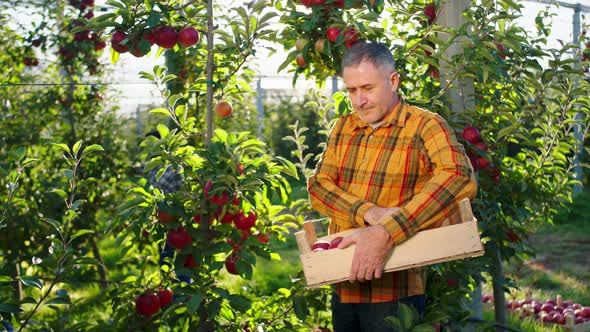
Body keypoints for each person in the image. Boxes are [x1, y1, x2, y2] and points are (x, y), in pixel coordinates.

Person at [307, 42, 477, 332]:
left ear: (393, 81)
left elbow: (458, 177)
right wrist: (371, 214)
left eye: (367, 88)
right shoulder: (344, 127)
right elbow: (319, 188)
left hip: (395, 289)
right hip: (343, 283)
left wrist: (388, 231)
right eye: (351, 91)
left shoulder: (425, 126)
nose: (359, 100)